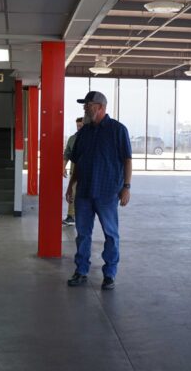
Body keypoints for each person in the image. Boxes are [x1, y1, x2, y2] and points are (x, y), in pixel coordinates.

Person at [65, 91, 132, 290]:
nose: (85, 108)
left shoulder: (118, 130)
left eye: (88, 104)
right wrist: (71, 186)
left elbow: (127, 160)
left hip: (107, 192)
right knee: (83, 234)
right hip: (84, 192)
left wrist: (126, 187)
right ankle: (81, 270)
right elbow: (78, 161)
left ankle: (110, 274)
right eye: (84, 105)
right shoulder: (84, 132)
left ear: (100, 107)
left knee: (111, 234)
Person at [62, 117, 84, 226]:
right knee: (72, 192)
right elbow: (67, 153)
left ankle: (84, 216)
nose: (79, 128)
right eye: (78, 126)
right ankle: (71, 216)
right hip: (75, 169)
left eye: (81, 126)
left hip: (88, 171)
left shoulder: (91, 138)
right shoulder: (72, 139)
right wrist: (63, 166)